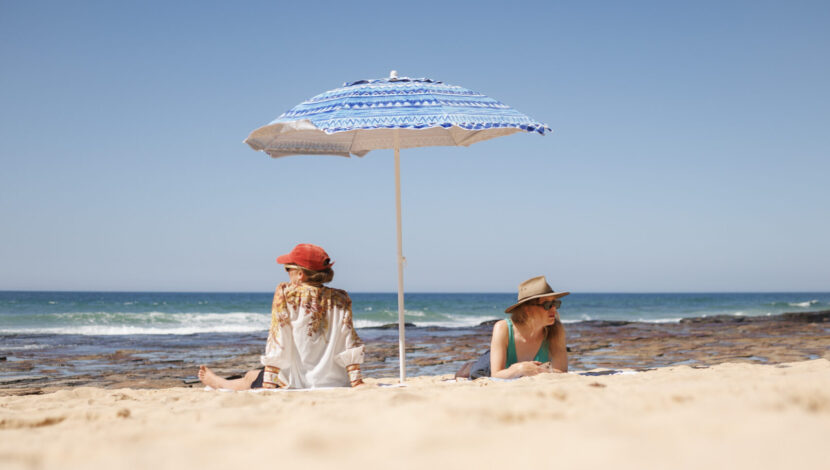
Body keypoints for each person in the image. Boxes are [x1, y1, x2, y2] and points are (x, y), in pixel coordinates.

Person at [199, 243, 365, 390]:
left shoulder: (286, 293)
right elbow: (348, 340)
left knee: (250, 377)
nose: (287, 273)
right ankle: (225, 381)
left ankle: (218, 382)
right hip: (334, 380)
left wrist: (269, 383)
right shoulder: (341, 298)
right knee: (254, 373)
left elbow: (278, 337)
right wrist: (356, 381)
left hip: (295, 381)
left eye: (288, 268)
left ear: (300, 274)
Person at [464, 276, 568, 379]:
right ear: (527, 309)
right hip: (488, 365)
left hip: (509, 371)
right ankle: (469, 367)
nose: (554, 309)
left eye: (555, 303)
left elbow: (562, 371)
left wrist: (536, 370)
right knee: (475, 373)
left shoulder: (556, 330)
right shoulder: (503, 328)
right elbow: (495, 374)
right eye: (548, 305)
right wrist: (520, 369)